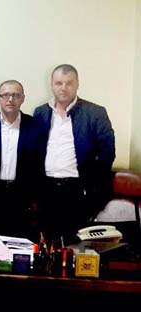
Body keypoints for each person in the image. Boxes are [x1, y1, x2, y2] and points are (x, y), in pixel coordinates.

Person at [33, 64, 115, 243]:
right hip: (46, 189)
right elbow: (35, 151)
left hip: (77, 190)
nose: (63, 88)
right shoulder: (40, 113)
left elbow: (107, 153)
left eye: (69, 83)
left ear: (77, 84)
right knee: (48, 244)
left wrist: (91, 188)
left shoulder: (95, 112)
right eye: (59, 83)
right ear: (52, 84)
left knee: (75, 245)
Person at [0, 80, 46, 237]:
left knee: (20, 244)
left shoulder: (36, 126)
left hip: (22, 197)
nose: (10, 99)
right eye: (6, 95)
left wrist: (36, 199)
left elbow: (40, 164)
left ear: (22, 99)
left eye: (15, 95)